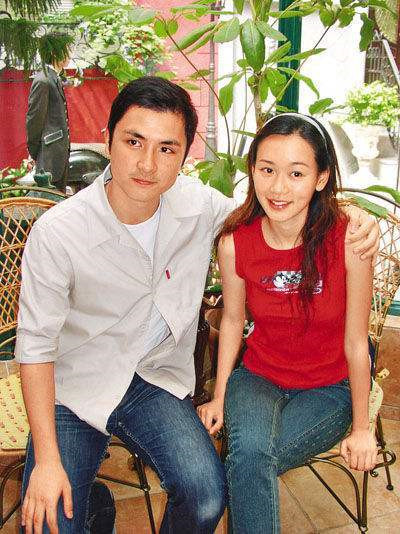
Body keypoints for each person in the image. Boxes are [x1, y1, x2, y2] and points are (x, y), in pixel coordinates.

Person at [16, 77, 377, 534]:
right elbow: (35, 348)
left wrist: (352, 215)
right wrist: (48, 462)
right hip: (75, 386)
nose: (148, 164)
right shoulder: (58, 233)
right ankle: (93, 506)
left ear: (185, 155)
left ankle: (92, 503)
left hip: (152, 381)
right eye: (133, 141)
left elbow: (278, 208)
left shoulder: (201, 207)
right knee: (49, 522)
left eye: (167, 148)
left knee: (207, 497)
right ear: (108, 141)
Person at [197, 113, 378, 534]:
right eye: (267, 170)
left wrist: (362, 427)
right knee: (249, 460)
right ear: (253, 171)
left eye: (296, 173)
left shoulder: (349, 239)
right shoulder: (234, 242)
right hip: (258, 377)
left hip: (330, 387)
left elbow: (357, 343)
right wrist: (220, 395)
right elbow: (233, 320)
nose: (278, 188)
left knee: (247, 460)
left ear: (320, 178)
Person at [26, 35, 72, 192]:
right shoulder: (43, 80)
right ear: (54, 53)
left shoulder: (53, 78)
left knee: (57, 201)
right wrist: (36, 153)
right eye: (66, 50)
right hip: (48, 156)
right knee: (48, 201)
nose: (69, 54)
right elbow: (34, 120)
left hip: (57, 155)